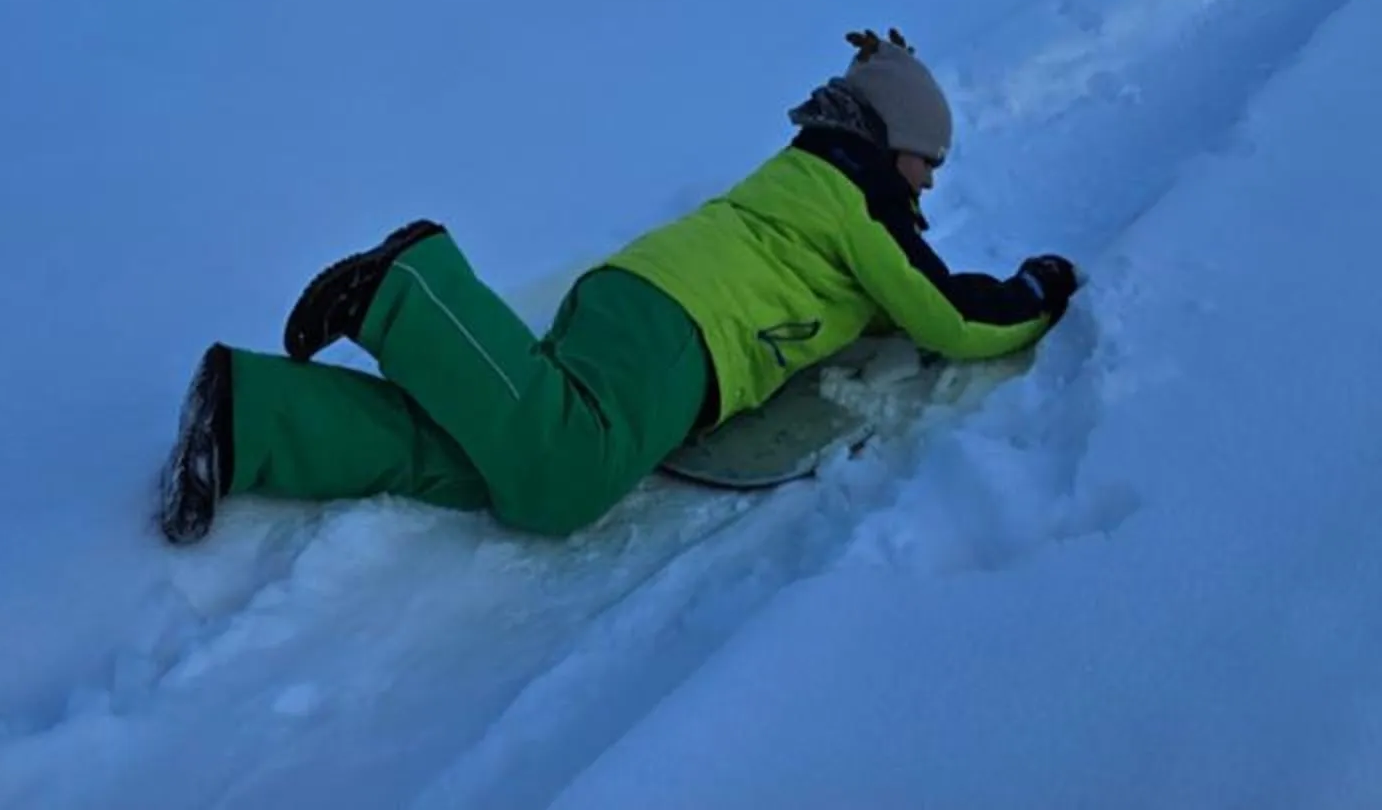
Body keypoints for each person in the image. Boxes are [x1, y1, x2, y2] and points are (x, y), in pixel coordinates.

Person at [157, 28, 1080, 545]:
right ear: (892, 145)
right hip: (681, 331)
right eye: (928, 163)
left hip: (642, 306)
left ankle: (254, 419)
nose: (930, 185)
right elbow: (952, 318)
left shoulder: (809, 177)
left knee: (500, 455)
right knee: (565, 484)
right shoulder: (860, 203)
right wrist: (1038, 288)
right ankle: (411, 286)